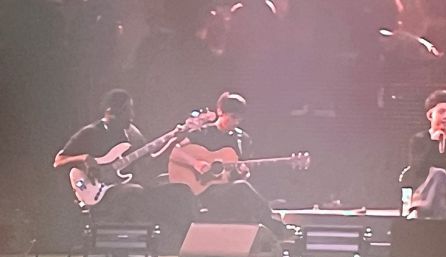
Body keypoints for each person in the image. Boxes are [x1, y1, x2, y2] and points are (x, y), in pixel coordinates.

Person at [169, 91, 287, 237]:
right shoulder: (203, 132)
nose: (236, 122)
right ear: (220, 112)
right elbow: (176, 152)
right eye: (233, 117)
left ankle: (262, 233)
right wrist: (195, 163)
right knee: (242, 188)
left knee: (243, 188)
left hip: (226, 190)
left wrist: (244, 173)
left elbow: (240, 174)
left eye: (239, 119)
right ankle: (277, 228)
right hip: (201, 191)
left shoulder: (242, 139)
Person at [53, 89, 150, 222]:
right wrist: (85, 158)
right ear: (110, 111)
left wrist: (172, 141)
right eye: (126, 110)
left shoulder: (132, 134)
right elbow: (58, 161)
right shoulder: (90, 132)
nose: (131, 115)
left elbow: (149, 156)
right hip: (96, 193)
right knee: (135, 191)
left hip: (116, 187)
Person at [401, 89, 446, 219]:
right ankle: (440, 216)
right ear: (430, 115)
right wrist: (433, 143)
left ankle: (419, 208)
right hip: (425, 192)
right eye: (441, 112)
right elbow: (416, 172)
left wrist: (444, 179)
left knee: (439, 174)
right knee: (437, 176)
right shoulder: (418, 140)